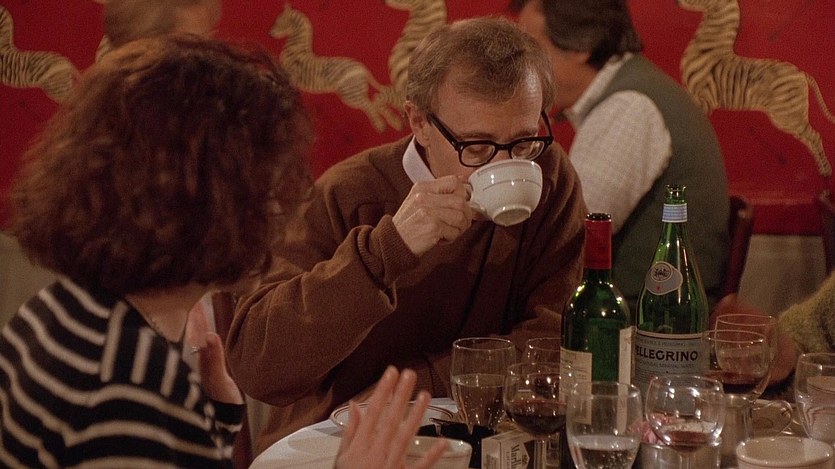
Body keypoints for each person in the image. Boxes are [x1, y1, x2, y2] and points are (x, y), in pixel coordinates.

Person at [0, 34, 444, 468]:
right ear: (202, 200)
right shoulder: (127, 385)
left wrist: (211, 422)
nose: (277, 207)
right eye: (263, 181)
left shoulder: (58, 309)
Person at [225, 16, 587, 452]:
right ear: (419, 122)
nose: (504, 166)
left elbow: (555, 339)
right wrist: (387, 250)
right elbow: (258, 365)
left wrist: (418, 386)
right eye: (476, 147)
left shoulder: (550, 176)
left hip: (489, 437)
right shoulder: (348, 193)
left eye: (523, 141)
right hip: (340, 442)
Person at [513, 0, 730, 311]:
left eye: (533, 48)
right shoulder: (631, 91)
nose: (524, 66)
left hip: (648, 321)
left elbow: (568, 235)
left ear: (580, 45)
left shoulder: (628, 106)